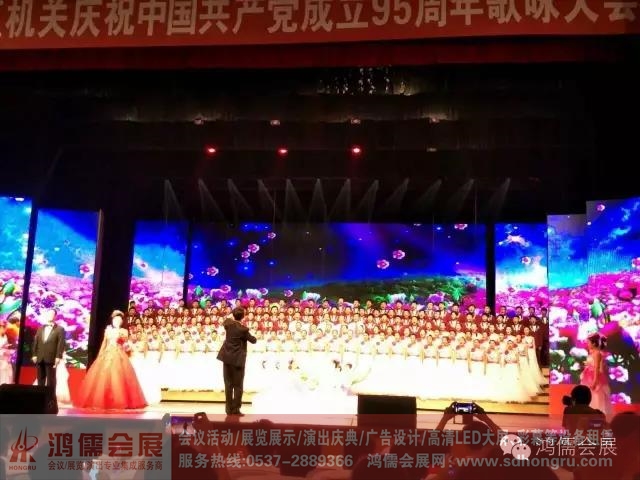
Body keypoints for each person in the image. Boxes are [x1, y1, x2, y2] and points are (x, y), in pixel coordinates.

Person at [74, 310, 146, 410]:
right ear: (112, 321)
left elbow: (125, 345)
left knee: (118, 377)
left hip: (119, 354)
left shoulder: (123, 331)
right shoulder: (108, 330)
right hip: (107, 354)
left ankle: (119, 401)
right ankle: (103, 400)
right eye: (115, 320)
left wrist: (124, 343)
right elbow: (104, 343)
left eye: (119, 320)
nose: (117, 322)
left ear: (121, 322)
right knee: (102, 378)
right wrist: (100, 355)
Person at [216, 307, 256, 415]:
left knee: (228, 384)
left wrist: (233, 315)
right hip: (237, 360)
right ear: (243, 316)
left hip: (227, 358)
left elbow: (227, 319)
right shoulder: (243, 329)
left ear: (233, 315)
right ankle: (236, 409)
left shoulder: (228, 324)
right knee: (238, 386)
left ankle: (228, 409)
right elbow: (253, 340)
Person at [31, 310, 66, 394]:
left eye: (52, 314)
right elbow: (36, 342)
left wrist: (58, 356)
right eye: (49, 314)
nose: (50, 316)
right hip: (40, 357)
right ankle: (40, 397)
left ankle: (50, 398)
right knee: (40, 379)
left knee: (51, 380)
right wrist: (34, 354)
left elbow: (61, 343)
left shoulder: (60, 329)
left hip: (51, 358)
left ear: (55, 316)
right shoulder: (40, 328)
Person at [580, 333, 612, 416]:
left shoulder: (597, 353)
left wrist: (595, 381)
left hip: (593, 377)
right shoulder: (592, 353)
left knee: (596, 396)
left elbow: (597, 368)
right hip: (588, 377)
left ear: (594, 343)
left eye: (588, 342)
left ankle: (597, 414)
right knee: (589, 396)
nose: (587, 344)